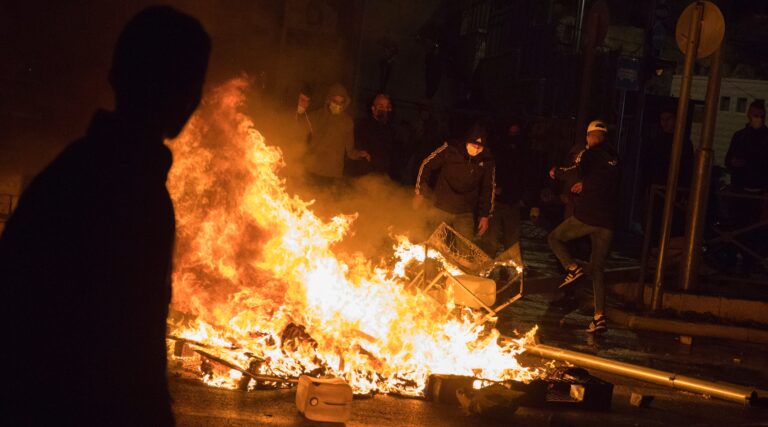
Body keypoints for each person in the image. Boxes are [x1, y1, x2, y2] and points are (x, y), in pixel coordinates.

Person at [0, 7, 210, 426]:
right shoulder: (130, 191)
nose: (192, 98)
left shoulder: (72, 171)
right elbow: (130, 353)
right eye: (186, 82)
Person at [547, 120, 619, 334]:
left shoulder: (589, 155)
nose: (593, 139)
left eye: (593, 136)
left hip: (588, 215)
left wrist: (556, 172)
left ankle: (572, 268)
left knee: (554, 238)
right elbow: (605, 179)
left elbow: (575, 171)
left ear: (590, 138)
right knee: (597, 268)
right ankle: (599, 318)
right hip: (608, 221)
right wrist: (586, 183)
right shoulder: (615, 158)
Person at [413, 123, 496, 246]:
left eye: (480, 146)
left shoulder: (487, 160)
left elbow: (488, 188)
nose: (476, 148)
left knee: (465, 250)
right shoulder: (451, 149)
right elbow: (426, 165)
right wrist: (420, 193)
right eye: (474, 144)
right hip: (440, 207)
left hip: (465, 213)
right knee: (431, 245)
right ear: (467, 141)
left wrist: (485, 215)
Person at [724, 100, 768, 275]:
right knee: (738, 226)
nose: (756, 118)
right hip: (741, 189)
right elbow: (728, 160)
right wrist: (734, 163)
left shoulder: (762, 138)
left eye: (759, 115)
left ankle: (747, 263)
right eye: (754, 115)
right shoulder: (740, 136)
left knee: (752, 230)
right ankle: (736, 261)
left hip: (757, 192)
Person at [642, 108, 694, 241]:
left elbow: (688, 168)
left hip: (676, 191)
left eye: (668, 119)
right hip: (658, 189)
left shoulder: (684, 142)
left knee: (673, 225)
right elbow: (648, 165)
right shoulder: (656, 141)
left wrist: (685, 193)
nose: (664, 123)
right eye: (662, 120)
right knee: (656, 224)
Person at [304, 83, 370, 187]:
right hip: (312, 170)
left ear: (345, 103)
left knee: (326, 202)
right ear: (329, 100)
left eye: (341, 102)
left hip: (332, 174)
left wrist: (359, 154)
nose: (338, 105)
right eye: (335, 101)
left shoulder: (347, 122)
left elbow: (350, 151)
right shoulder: (315, 116)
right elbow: (298, 137)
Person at [484, 119, 533, 259]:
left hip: (513, 202)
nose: (513, 136)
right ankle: (486, 269)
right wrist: (495, 187)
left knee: (512, 242)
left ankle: (510, 272)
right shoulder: (499, 150)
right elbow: (493, 170)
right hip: (497, 201)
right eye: (511, 132)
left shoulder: (523, 152)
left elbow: (526, 175)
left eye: (516, 133)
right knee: (491, 240)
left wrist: (525, 198)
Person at [348, 93, 400, 179]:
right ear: (373, 108)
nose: (385, 110)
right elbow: (355, 150)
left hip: (384, 177)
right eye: (381, 106)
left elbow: (393, 156)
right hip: (365, 176)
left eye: (387, 107)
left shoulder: (391, 130)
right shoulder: (362, 126)